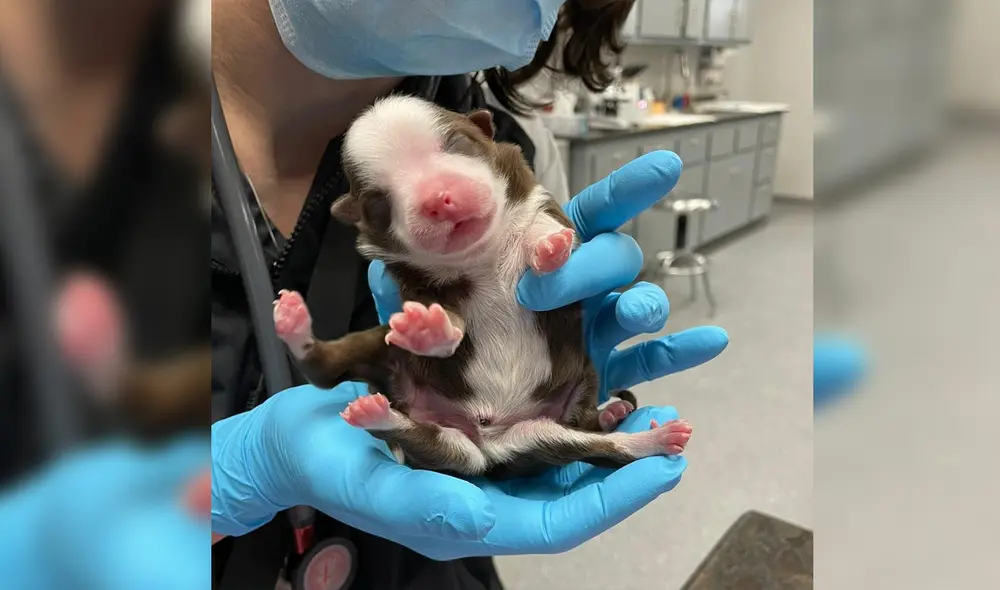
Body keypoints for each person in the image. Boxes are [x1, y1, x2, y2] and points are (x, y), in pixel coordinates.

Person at [210, 0, 729, 589]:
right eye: (386, 199)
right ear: (362, 216)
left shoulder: (509, 137)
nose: (439, 197)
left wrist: (555, 349)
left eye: (453, 152)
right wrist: (230, 474)